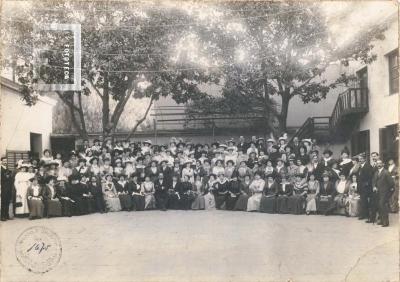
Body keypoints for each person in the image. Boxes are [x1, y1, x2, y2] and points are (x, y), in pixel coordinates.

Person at [372, 160, 395, 227]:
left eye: (380, 163)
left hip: (384, 193)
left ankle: (386, 222)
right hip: (377, 192)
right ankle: (382, 220)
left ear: (383, 164)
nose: (378, 165)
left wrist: (388, 193)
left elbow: (391, 183)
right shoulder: (376, 172)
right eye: (377, 163)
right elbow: (373, 181)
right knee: (379, 206)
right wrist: (374, 187)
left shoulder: (386, 172)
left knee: (383, 206)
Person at [357, 154, 375, 221]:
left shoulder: (368, 166)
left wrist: (366, 184)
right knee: (363, 201)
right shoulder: (359, 166)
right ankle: (364, 214)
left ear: (364, 159)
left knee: (365, 201)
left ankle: (365, 215)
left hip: (366, 187)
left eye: (361, 159)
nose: (360, 160)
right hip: (360, 186)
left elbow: (370, 177)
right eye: (359, 159)